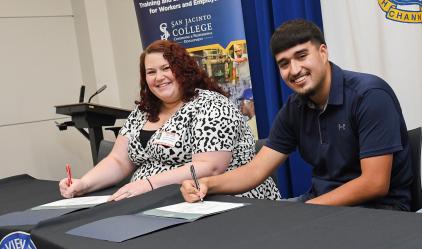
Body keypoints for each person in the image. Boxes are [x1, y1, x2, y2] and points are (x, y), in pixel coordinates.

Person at [181, 19, 413, 211]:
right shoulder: (295, 107)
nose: (294, 70)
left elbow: (374, 184)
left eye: (302, 56)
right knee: (254, 230)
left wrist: (305, 212)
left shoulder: (369, 94)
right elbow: (256, 170)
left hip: (381, 210)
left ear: (323, 52)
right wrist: (206, 184)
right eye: (284, 64)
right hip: (319, 204)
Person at [59, 40, 280, 201]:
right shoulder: (143, 111)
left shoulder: (212, 105)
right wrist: (84, 183)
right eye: (151, 72)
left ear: (183, 69)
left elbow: (209, 167)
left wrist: (147, 184)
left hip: (223, 201)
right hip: (154, 200)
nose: (159, 77)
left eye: (166, 68)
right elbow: (118, 160)